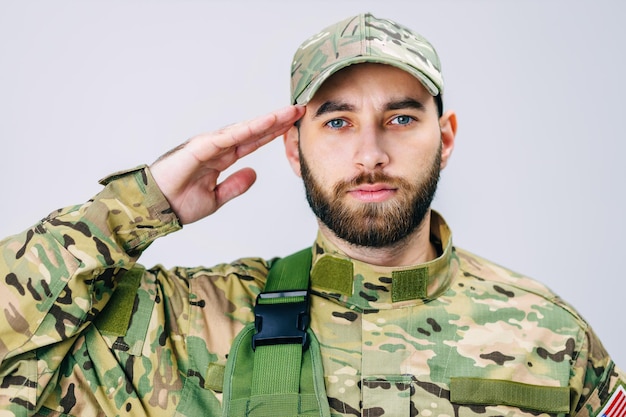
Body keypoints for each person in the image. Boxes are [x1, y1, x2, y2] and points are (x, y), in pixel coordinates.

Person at [0, 12, 623, 417]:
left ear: (447, 137)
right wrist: (140, 203)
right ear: (294, 148)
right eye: (338, 121)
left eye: (401, 118)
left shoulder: (549, 335)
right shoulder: (192, 325)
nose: (371, 153)